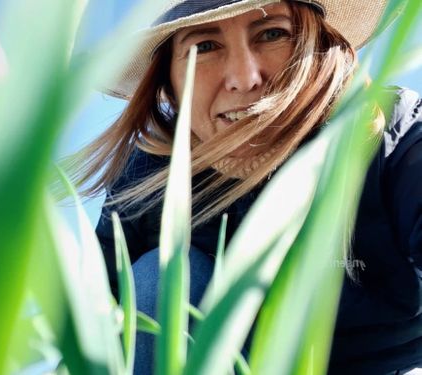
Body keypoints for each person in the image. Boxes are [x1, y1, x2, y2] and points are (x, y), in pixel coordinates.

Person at [69, 0, 422, 373]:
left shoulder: (396, 140)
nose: (244, 76)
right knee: (165, 276)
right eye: (203, 47)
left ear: (316, 46)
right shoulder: (151, 179)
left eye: (272, 34)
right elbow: (91, 321)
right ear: (168, 82)